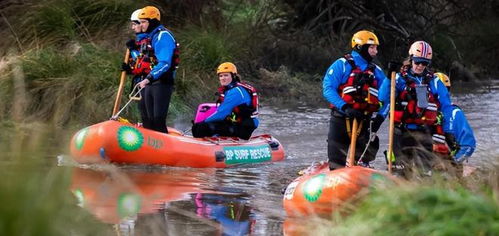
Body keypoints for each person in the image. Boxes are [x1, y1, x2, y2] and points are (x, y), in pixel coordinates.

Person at [378, 41, 453, 175]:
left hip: (424, 133)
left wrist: (446, 131)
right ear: (411, 59)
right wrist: (389, 77)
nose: (420, 66)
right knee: (401, 173)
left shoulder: (434, 82)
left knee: (424, 173)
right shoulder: (399, 79)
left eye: (424, 63)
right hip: (401, 132)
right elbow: (383, 97)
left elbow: (446, 106)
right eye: (417, 62)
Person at [322, 30, 387, 170]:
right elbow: (328, 89)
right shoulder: (341, 65)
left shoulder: (377, 71)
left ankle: (361, 170)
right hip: (341, 118)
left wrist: (380, 117)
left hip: (364, 121)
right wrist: (345, 107)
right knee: (336, 161)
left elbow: (387, 98)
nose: (376, 51)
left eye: (376, 47)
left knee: (364, 157)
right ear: (360, 47)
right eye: (372, 47)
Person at [135, 6, 180, 133]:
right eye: (140, 22)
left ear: (153, 21)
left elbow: (165, 63)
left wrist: (149, 78)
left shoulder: (163, 36)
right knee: (147, 120)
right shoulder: (149, 37)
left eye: (144, 22)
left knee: (157, 120)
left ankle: (166, 150)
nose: (141, 25)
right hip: (149, 82)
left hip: (162, 83)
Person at [192, 62, 259, 140]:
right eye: (221, 76)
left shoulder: (236, 92)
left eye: (226, 75)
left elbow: (222, 113)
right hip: (235, 123)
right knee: (203, 126)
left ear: (233, 76)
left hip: (243, 128)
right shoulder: (229, 90)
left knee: (202, 127)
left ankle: (207, 146)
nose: (223, 78)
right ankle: (212, 140)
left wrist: (203, 123)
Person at [435, 72, 476, 168]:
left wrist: (453, 164)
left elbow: (468, 145)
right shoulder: (420, 113)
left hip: (449, 166)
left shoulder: (455, 113)